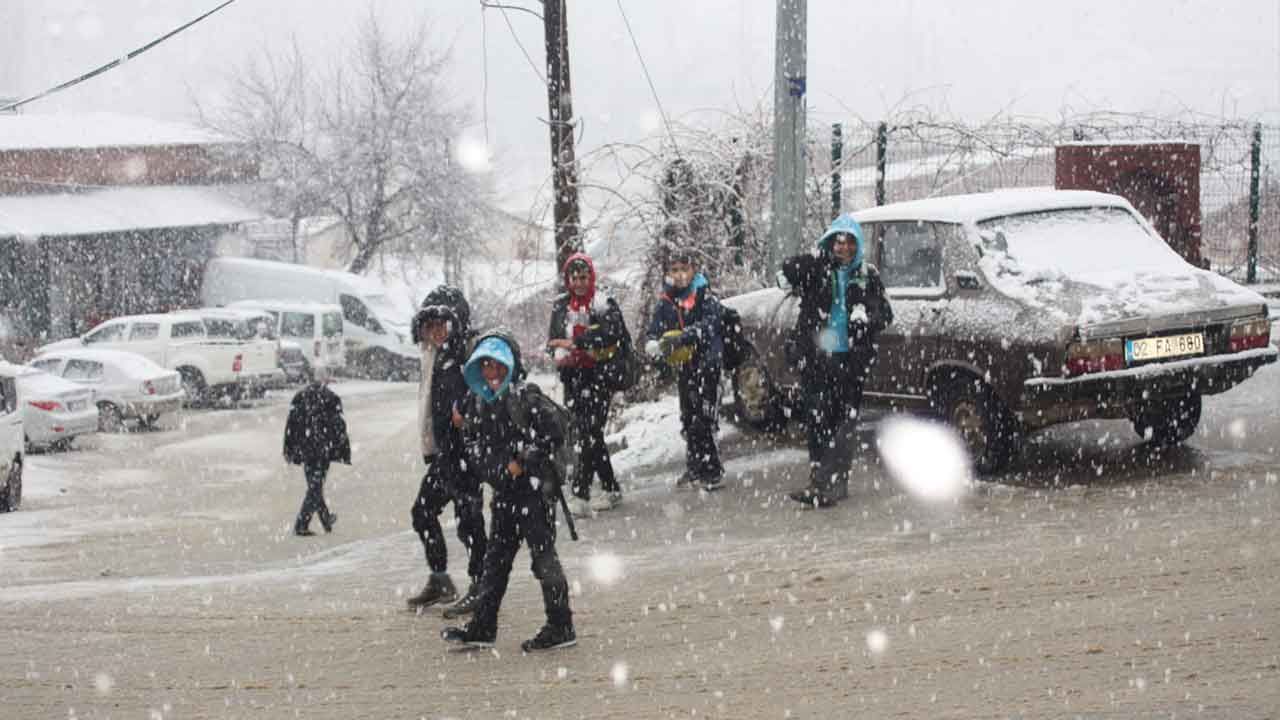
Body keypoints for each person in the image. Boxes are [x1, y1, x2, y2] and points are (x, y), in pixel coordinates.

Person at [441, 330, 577, 652]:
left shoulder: (525, 397)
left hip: (532, 493)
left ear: (512, 366)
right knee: (495, 564)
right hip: (504, 495)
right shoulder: (477, 403)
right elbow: (474, 445)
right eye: (487, 366)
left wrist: (522, 461)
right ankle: (483, 626)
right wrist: (494, 470)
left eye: (499, 366)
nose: (493, 373)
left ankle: (561, 625)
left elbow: (556, 432)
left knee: (543, 560)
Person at [780, 213, 893, 508]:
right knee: (818, 420)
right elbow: (789, 270)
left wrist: (866, 318)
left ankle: (835, 482)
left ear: (857, 246)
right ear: (830, 243)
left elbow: (886, 314)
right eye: (838, 242)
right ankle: (820, 481)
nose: (844, 248)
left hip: (851, 361)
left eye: (849, 242)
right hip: (818, 359)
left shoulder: (868, 275)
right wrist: (812, 257)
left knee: (843, 423)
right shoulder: (818, 269)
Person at [405, 286, 488, 617]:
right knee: (422, 513)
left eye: (443, 324)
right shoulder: (434, 357)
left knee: (469, 520)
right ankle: (440, 580)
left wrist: (468, 411)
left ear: (457, 324)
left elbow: (493, 390)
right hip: (444, 456)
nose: (436, 331)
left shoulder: (471, 354)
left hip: (467, 454)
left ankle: (482, 585)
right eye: (430, 325)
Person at [546, 252, 626, 517]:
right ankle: (611, 488)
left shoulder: (602, 302)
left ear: (591, 277)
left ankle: (580, 492)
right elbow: (554, 339)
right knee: (587, 433)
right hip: (573, 377)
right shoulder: (561, 305)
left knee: (590, 432)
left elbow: (612, 333)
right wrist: (558, 351)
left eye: (584, 277)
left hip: (600, 376)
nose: (579, 282)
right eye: (574, 277)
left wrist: (579, 342)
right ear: (567, 279)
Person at [644, 247, 725, 491]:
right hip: (685, 368)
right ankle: (693, 467)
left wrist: (684, 337)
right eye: (674, 270)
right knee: (688, 417)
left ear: (693, 271)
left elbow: (710, 325)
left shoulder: (705, 296)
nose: (679, 275)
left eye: (684, 269)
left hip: (708, 364)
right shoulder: (666, 301)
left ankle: (711, 470)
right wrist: (654, 344)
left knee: (704, 418)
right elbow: (654, 330)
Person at [282, 367, 351, 535]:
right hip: (322, 450)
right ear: (325, 380)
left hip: (306, 449)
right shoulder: (331, 398)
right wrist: (341, 448)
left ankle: (325, 519)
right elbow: (339, 427)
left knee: (315, 485)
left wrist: (289, 448)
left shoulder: (300, 397)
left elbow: (291, 425)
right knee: (315, 486)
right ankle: (301, 524)